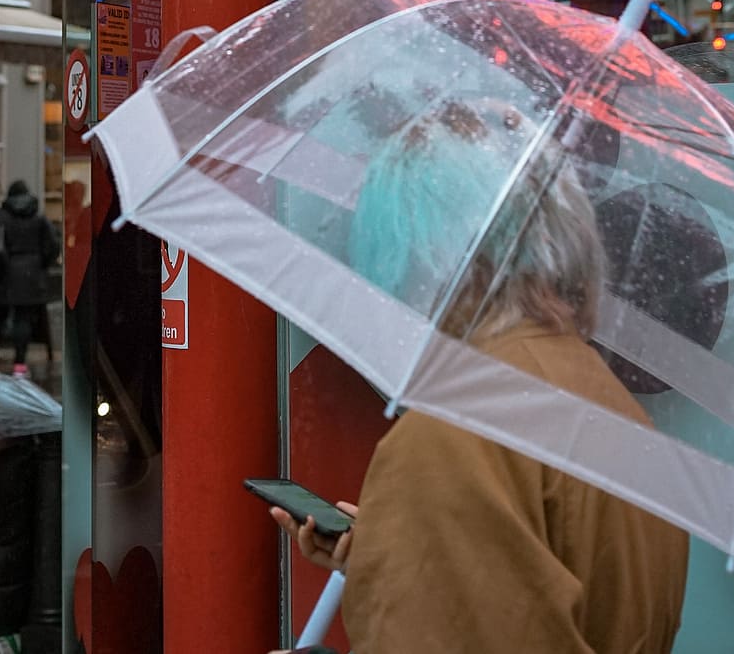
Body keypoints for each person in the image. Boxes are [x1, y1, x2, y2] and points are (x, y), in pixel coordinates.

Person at [270, 100, 689, 654]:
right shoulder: (614, 408)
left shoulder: (453, 434)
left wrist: (417, 551)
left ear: (418, 253)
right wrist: (398, 551)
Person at [0, 179, 60, 374]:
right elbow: (53, 244)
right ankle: (20, 362)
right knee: (24, 319)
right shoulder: (38, 217)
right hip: (32, 273)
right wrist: (42, 263)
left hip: (8, 272)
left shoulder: (2, 217)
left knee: (0, 317)